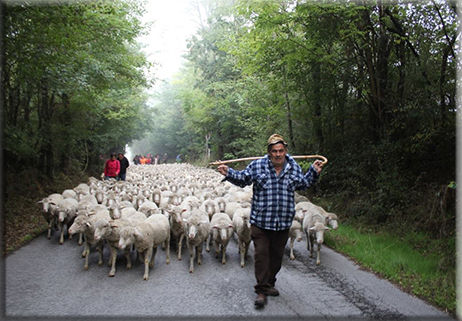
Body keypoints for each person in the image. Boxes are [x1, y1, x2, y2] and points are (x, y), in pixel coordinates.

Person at [217, 134, 323, 309]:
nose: (278, 154)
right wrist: (228, 173)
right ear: (269, 152)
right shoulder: (258, 165)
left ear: (285, 151)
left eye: (281, 151)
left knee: (276, 257)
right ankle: (261, 290)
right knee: (261, 255)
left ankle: (269, 283)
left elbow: (303, 184)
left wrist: (313, 171)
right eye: (274, 151)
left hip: (282, 222)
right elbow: (243, 179)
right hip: (261, 221)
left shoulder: (293, 167)